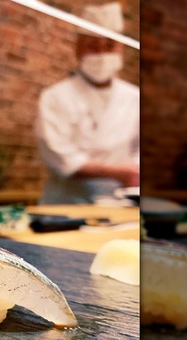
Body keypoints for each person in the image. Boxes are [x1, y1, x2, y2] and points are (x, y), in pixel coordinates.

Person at [35, 2, 139, 205]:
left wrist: (134, 170)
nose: (101, 54)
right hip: (65, 206)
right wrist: (119, 171)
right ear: (77, 48)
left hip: (120, 206)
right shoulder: (54, 96)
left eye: (109, 46)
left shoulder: (135, 97)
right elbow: (61, 158)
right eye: (92, 45)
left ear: (121, 50)